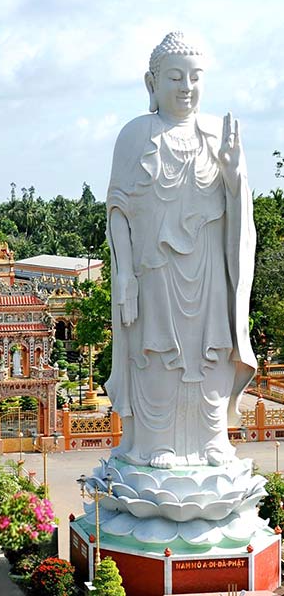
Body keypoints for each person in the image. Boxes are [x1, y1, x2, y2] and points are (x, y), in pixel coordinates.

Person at [105, 32, 256, 468]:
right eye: (175, 77)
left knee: (210, 352)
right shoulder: (135, 135)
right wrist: (124, 274)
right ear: (151, 83)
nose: (186, 87)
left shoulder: (217, 134)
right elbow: (118, 209)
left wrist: (233, 176)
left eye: (194, 77)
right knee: (157, 354)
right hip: (155, 271)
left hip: (208, 269)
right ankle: (158, 443)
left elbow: (240, 213)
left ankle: (210, 438)